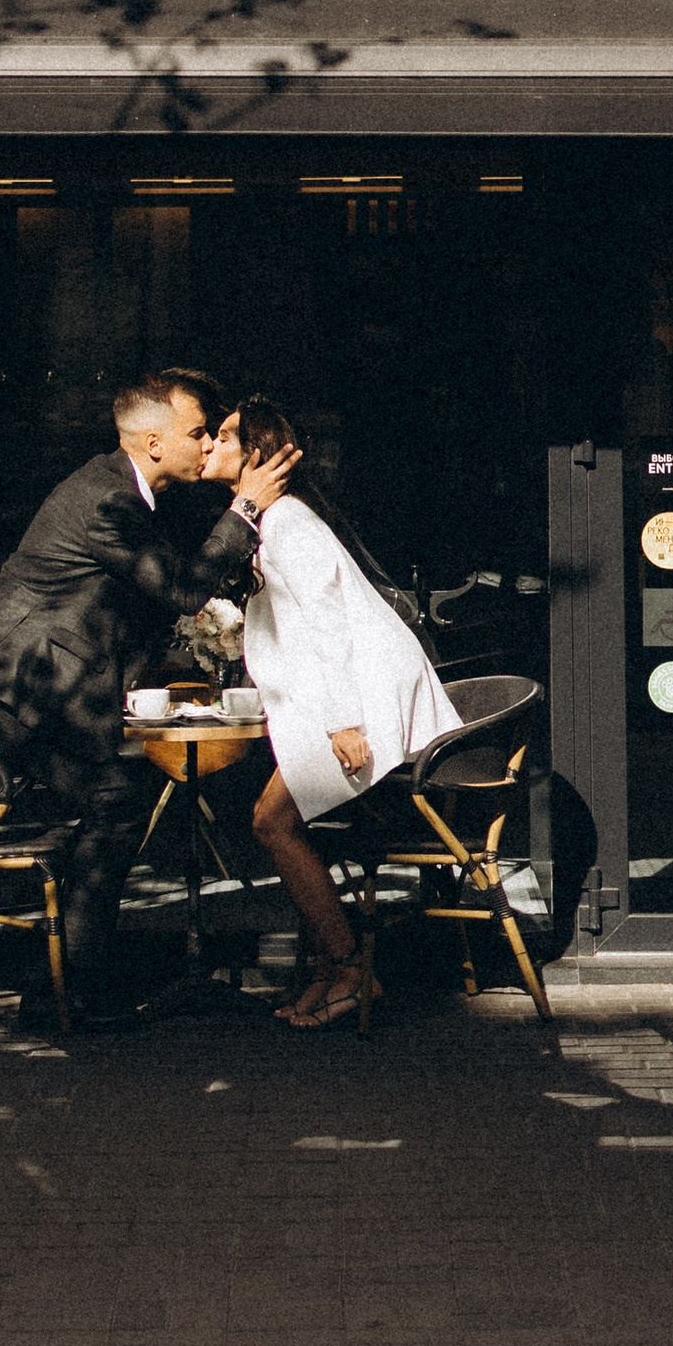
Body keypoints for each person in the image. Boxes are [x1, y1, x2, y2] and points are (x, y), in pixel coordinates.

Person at [0, 367, 254, 1026]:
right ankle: (67, 993)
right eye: (198, 432)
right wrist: (245, 511)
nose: (207, 445)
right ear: (152, 443)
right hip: (5, 686)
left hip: (31, 683)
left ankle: (67, 980)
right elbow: (180, 589)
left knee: (114, 801)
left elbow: (130, 606)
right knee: (114, 802)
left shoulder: (125, 493)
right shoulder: (106, 501)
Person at [208, 394, 462, 1031]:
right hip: (339, 704)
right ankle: (330, 968)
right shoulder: (270, 521)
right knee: (275, 823)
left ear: (254, 454)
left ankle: (350, 968)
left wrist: (344, 722)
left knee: (271, 822)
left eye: (224, 436)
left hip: (362, 706)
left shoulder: (287, 522)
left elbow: (328, 623)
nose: (210, 443)